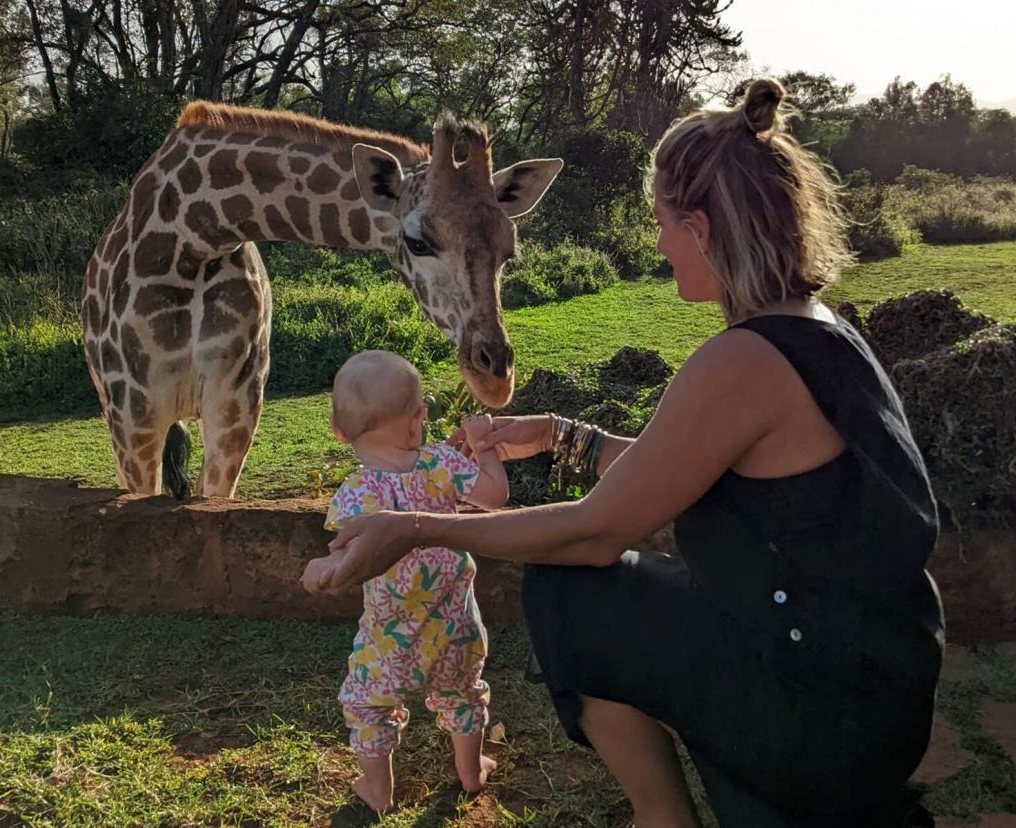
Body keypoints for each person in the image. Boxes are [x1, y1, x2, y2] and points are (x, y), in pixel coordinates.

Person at [315, 79, 945, 827]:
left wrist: (416, 528)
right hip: (877, 682)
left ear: (703, 230)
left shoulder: (742, 362)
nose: (656, 245)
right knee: (605, 592)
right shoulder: (817, 328)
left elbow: (593, 532)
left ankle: (662, 817)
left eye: (662, 225)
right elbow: (678, 463)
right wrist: (560, 434)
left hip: (820, 706)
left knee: (568, 592)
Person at [300, 350, 509, 813]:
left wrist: (320, 570)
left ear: (339, 431)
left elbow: (347, 556)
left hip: (389, 634)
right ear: (417, 422)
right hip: (456, 626)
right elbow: (494, 497)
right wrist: (485, 446)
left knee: (368, 705)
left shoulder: (357, 493)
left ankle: (377, 791)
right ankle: (471, 773)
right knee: (463, 695)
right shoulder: (440, 464)